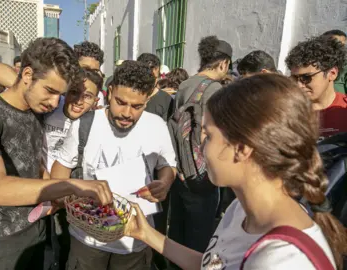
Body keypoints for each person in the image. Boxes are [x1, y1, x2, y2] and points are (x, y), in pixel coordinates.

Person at [124, 74, 347, 270]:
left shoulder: (284, 259)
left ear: (241, 149)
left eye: (208, 135)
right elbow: (212, 264)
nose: (201, 146)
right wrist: (145, 233)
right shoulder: (240, 208)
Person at [0, 37, 113, 270]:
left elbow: (38, 167)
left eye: (60, 94)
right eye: (50, 91)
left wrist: (67, 201)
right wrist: (71, 186)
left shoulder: (37, 109)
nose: (55, 102)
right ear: (26, 76)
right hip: (4, 241)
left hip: (41, 229)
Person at [51, 60, 176, 270]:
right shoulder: (84, 124)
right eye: (121, 102)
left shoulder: (157, 126)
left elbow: (168, 166)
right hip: (87, 241)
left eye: (137, 106)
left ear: (147, 100)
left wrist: (164, 184)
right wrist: (74, 201)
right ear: (109, 92)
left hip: (135, 244)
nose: (127, 113)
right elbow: (58, 176)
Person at [169, 36, 232, 259]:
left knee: (179, 228)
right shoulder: (214, 89)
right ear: (224, 63)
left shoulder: (185, 84)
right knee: (200, 235)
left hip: (180, 171)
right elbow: (209, 133)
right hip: (202, 175)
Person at [286, 35, 347, 139]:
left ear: (332, 73)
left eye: (306, 77)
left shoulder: (344, 109)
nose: (299, 85)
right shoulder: (286, 112)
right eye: (294, 78)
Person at [137, 53, 175, 122]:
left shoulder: (166, 100)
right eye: (147, 76)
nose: (150, 81)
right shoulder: (130, 95)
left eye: (155, 77)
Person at [73, 41, 106, 106]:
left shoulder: (99, 96)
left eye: (94, 72)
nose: (90, 75)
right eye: (85, 69)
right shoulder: (59, 95)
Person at [323, 29, 347, 94]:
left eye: (341, 46)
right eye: (333, 45)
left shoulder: (345, 67)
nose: (338, 49)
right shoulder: (310, 65)